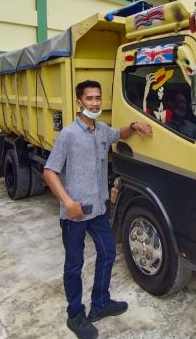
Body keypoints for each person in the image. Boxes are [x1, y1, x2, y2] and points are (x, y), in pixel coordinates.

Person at [42, 80, 153, 339]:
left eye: (97, 98)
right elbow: (49, 171)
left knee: (107, 253)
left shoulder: (102, 131)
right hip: (75, 214)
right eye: (89, 98)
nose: (94, 102)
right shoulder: (69, 135)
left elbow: (120, 134)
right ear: (79, 102)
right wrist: (68, 203)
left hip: (99, 210)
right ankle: (75, 314)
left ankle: (100, 304)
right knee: (74, 265)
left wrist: (135, 125)